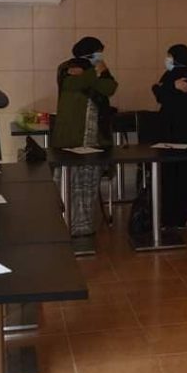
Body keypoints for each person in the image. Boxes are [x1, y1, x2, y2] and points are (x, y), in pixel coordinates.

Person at [54, 36, 118, 236]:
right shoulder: (66, 68)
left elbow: (110, 88)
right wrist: (94, 72)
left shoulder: (97, 70)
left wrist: (100, 72)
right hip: (72, 137)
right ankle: (65, 224)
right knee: (69, 182)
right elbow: (76, 84)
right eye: (98, 52)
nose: (100, 56)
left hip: (95, 138)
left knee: (89, 182)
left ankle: (83, 227)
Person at [152, 44, 187, 229]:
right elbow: (160, 92)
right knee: (185, 178)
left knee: (172, 178)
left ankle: (170, 219)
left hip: (175, 136)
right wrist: (168, 87)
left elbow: (161, 94)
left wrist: (164, 87)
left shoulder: (180, 76)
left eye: (169, 56)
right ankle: (179, 218)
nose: (167, 59)